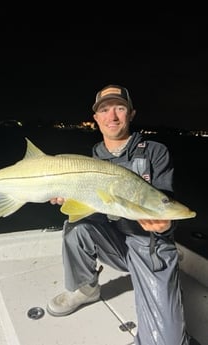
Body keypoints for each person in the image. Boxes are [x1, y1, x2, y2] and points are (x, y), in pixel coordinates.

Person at [47, 84, 191, 345]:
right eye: (104, 109)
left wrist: (164, 227)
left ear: (131, 114)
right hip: (113, 240)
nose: (112, 116)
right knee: (75, 227)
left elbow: (164, 202)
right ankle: (86, 289)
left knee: (167, 341)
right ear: (96, 117)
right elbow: (93, 208)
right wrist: (68, 199)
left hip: (149, 246)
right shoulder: (94, 157)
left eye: (120, 108)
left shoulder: (155, 151)